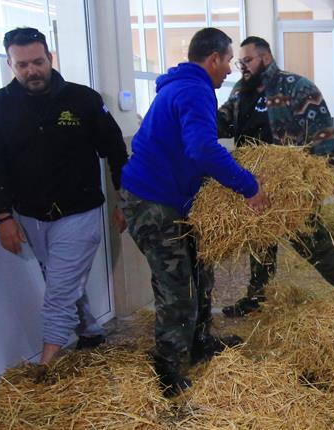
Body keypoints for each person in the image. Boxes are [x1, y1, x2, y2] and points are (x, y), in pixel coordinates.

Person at [119, 27, 270, 397]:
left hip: (173, 198)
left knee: (201, 274)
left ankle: (199, 341)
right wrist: (249, 186)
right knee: (178, 288)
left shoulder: (185, 87)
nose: (231, 71)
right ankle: (167, 368)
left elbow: (193, 150)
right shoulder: (194, 89)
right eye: (228, 62)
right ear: (213, 59)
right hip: (154, 201)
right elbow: (202, 148)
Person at [0, 27, 129, 365]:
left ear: (50, 58)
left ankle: (46, 365)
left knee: (59, 290)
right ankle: (90, 332)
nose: (32, 71)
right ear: (10, 65)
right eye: (22, 65)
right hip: (32, 214)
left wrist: (126, 199)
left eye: (38, 62)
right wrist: (3, 217)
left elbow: (116, 151)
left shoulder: (84, 99)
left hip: (80, 212)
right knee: (60, 277)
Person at [217, 36, 334, 317]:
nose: (243, 67)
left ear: (265, 58)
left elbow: (322, 134)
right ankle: (256, 298)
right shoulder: (241, 91)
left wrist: (329, 175)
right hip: (254, 184)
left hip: (288, 183)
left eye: (248, 60)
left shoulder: (298, 88)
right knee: (259, 243)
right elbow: (224, 121)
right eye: (240, 62)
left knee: (313, 242)